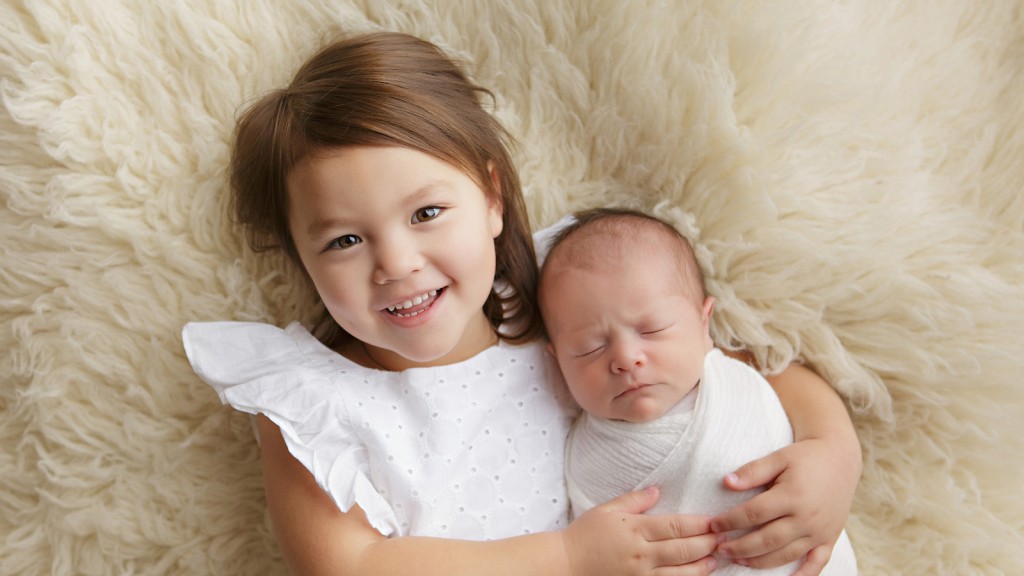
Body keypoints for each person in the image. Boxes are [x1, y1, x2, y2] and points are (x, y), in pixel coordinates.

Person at [181, 32, 861, 576]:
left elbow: (734, 365)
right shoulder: (314, 406)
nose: (396, 264)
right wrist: (565, 558)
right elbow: (349, 565)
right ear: (301, 257)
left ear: (492, 199)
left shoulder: (561, 297)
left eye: (426, 212)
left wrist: (833, 455)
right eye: (346, 240)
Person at [537, 208, 858, 574]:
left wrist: (832, 454)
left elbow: (801, 391)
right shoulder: (583, 458)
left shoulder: (739, 376)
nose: (625, 359)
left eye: (653, 329)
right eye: (589, 348)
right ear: (557, 360)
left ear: (704, 324)